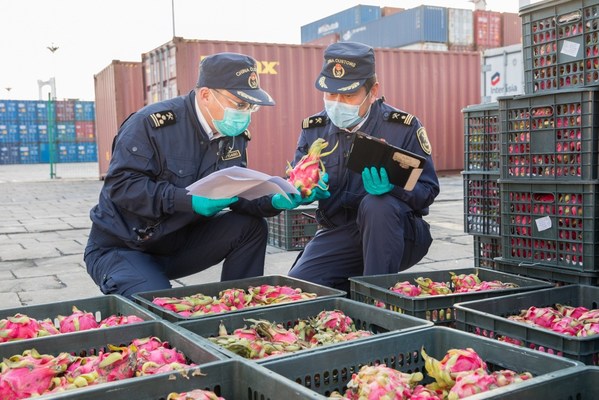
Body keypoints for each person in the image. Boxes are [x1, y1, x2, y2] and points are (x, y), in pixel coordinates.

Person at [84, 52, 304, 299]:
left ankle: (238, 308)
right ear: (206, 95)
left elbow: (238, 195)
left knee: (251, 227)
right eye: (240, 104)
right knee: (159, 306)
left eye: (251, 106)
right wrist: (187, 200)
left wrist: (273, 201)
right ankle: (142, 284)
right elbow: (122, 187)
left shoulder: (233, 135)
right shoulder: (150, 125)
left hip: (176, 244)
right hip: (124, 247)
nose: (246, 113)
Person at [287, 41, 440, 293]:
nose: (337, 102)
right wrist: (307, 190)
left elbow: (428, 191)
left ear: (373, 90)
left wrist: (393, 188)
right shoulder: (314, 130)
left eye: (348, 95)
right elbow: (298, 178)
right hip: (340, 233)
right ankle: (351, 287)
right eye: (330, 94)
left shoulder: (402, 128)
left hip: (398, 231)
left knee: (377, 204)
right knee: (300, 288)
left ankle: (377, 300)